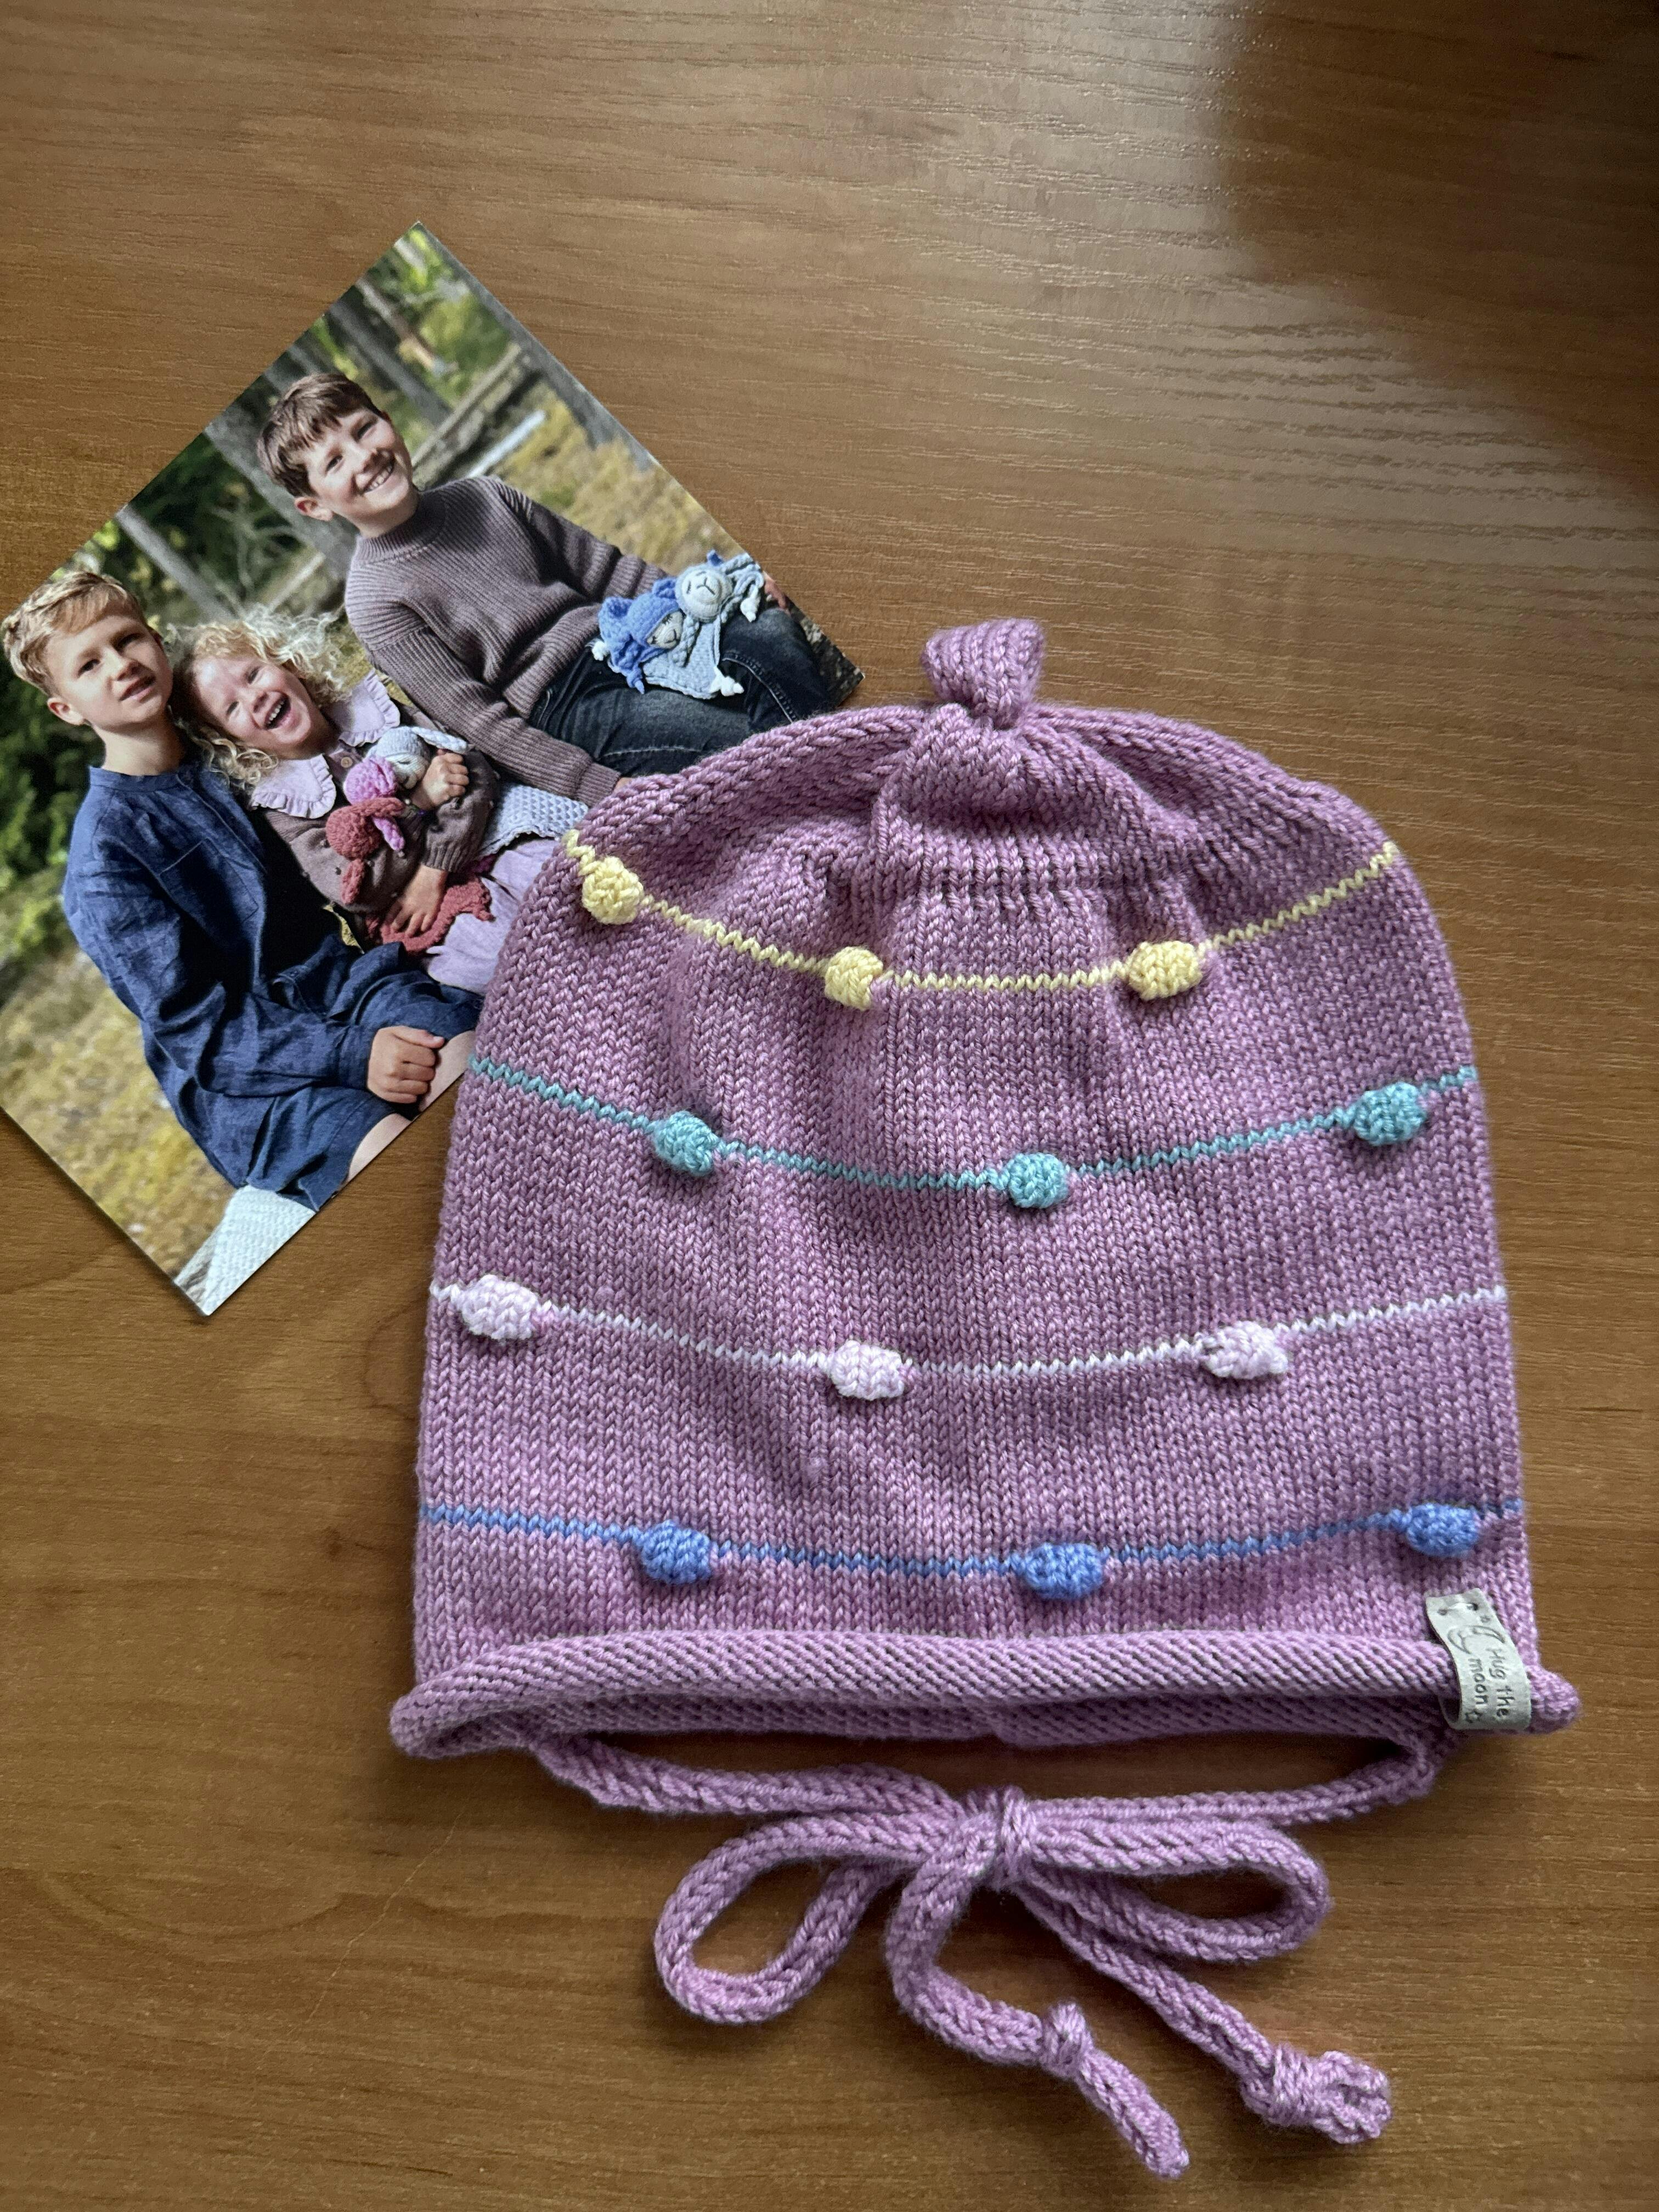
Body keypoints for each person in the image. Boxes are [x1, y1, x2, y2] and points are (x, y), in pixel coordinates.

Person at [1, 569, 480, 1205]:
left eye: (127, 640)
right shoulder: (105, 860)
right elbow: (199, 1032)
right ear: (66, 708)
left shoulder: (231, 748)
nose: (121, 666)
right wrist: (352, 1055)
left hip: (341, 985)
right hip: (251, 1078)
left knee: (470, 1071)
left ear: (155, 640)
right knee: (400, 1165)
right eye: (89, 666)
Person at [255, 373, 837, 801]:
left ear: (388, 420)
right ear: (315, 507)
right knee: (726, 738)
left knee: (766, 634)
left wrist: (713, 603)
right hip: (564, 704)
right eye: (334, 462)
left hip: (623, 638)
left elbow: (608, 573)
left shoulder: (484, 496)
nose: (366, 456)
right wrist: (594, 785)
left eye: (365, 428)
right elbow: (479, 722)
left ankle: (841, 769)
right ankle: (837, 789)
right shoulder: (375, 601)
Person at [177, 615, 582, 998]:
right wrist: (419, 803)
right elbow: (356, 886)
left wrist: (433, 870)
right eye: (232, 708)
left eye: (253, 674)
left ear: (287, 663)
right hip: (416, 911)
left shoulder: (372, 713)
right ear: (233, 742)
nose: (254, 697)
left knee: (567, 880)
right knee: (500, 957)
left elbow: (468, 767)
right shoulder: (285, 805)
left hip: (483, 838)